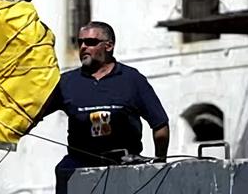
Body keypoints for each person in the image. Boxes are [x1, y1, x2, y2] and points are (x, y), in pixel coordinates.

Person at [38, 21, 170, 191]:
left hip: (125, 168)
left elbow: (160, 125)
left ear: (109, 46)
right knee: (64, 169)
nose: (84, 47)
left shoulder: (132, 79)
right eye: (80, 42)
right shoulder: (66, 82)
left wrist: (160, 162)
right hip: (80, 168)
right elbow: (33, 114)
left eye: (91, 42)